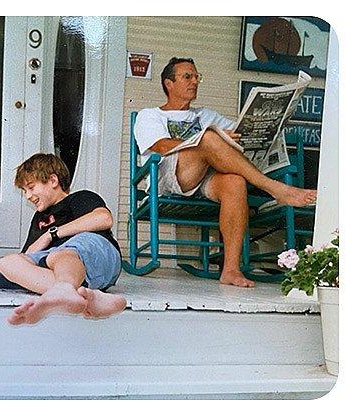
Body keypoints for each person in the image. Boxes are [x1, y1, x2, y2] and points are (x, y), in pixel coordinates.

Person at [134, 57, 317, 288]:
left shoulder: (206, 115)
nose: (194, 81)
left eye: (196, 76)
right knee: (210, 137)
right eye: (187, 76)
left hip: (203, 180)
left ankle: (230, 269)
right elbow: (161, 146)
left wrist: (272, 123)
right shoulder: (151, 115)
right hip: (169, 176)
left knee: (235, 181)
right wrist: (207, 140)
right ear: (168, 84)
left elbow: (240, 134)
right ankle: (275, 189)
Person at [0, 153, 127, 325]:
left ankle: (65, 288)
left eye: (31, 187)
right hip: (75, 274)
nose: (28, 195)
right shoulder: (38, 218)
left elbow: (103, 219)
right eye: (24, 191)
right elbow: (27, 258)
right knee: (8, 264)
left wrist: (51, 234)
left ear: (53, 180)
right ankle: (85, 296)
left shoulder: (79, 198)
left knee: (60, 254)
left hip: (97, 252)